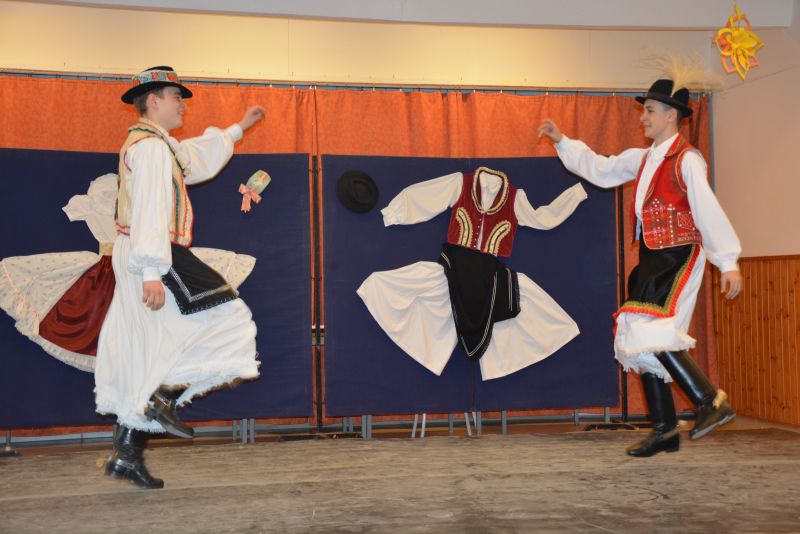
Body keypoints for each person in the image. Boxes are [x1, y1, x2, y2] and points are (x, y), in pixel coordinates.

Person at [538, 78, 743, 457]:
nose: (642, 118)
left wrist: (727, 261)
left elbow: (706, 209)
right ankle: (665, 430)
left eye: (649, 111)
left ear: (670, 115)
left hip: (680, 256)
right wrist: (562, 141)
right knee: (636, 336)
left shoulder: (687, 160)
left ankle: (710, 401)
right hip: (652, 259)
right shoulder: (644, 158)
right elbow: (602, 169)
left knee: (655, 334)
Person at [97, 66, 264, 488]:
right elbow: (150, 209)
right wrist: (152, 272)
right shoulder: (152, 149)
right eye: (176, 97)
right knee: (229, 318)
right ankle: (161, 397)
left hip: (146, 252)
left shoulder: (157, 145)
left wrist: (238, 129)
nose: (183, 105)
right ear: (153, 100)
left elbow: (193, 157)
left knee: (154, 347)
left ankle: (127, 452)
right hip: (153, 253)